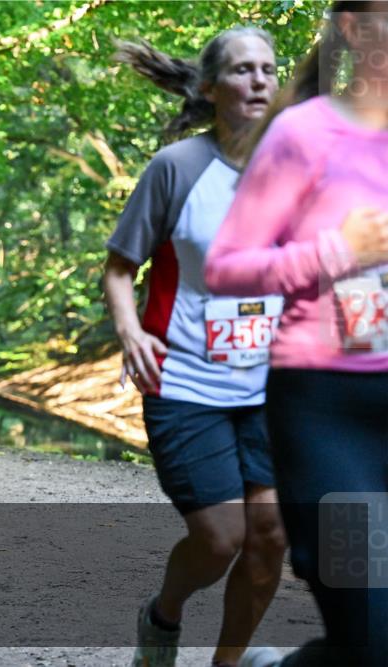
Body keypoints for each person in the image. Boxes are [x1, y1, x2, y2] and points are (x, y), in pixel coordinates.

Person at [205, 4, 387, 666]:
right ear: (353, 27)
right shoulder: (303, 136)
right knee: (370, 638)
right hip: (327, 412)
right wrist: (337, 250)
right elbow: (225, 266)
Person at [103, 28, 287, 667]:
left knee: (269, 538)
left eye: (269, 68)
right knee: (219, 537)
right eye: (242, 70)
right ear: (210, 89)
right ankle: (163, 616)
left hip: (271, 384)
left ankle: (227, 664)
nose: (260, 80)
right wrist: (129, 331)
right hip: (184, 382)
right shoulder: (176, 168)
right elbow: (120, 268)